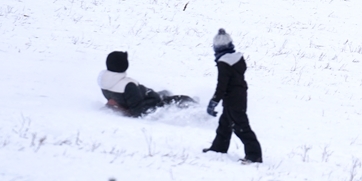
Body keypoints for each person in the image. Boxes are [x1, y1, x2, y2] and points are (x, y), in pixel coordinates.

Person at [203, 30, 262, 164]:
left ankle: (254, 156)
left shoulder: (224, 63)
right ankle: (218, 148)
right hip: (240, 96)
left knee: (241, 128)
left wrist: (213, 102)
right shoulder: (237, 58)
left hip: (232, 100)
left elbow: (222, 85)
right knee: (225, 124)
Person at [98, 51, 195, 117]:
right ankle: (197, 107)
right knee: (183, 99)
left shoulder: (104, 81)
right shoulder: (128, 86)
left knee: (165, 92)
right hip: (152, 101)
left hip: (142, 96)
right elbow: (138, 111)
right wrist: (155, 99)